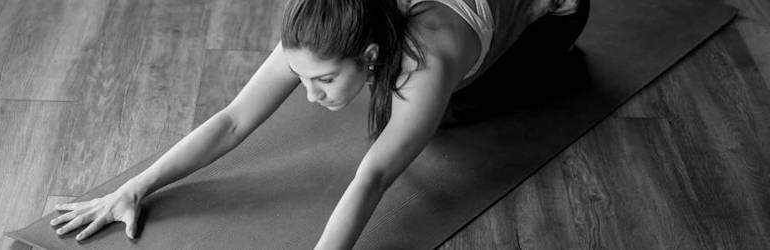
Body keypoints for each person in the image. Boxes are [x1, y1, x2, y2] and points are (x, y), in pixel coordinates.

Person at [48, 0, 589, 248]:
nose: (308, 96)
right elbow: (234, 120)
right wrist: (133, 187)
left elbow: (373, 177)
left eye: (323, 82)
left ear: (373, 54)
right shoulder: (323, 22)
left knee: (446, 115)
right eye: (303, 78)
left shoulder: (429, 59)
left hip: (554, 20)